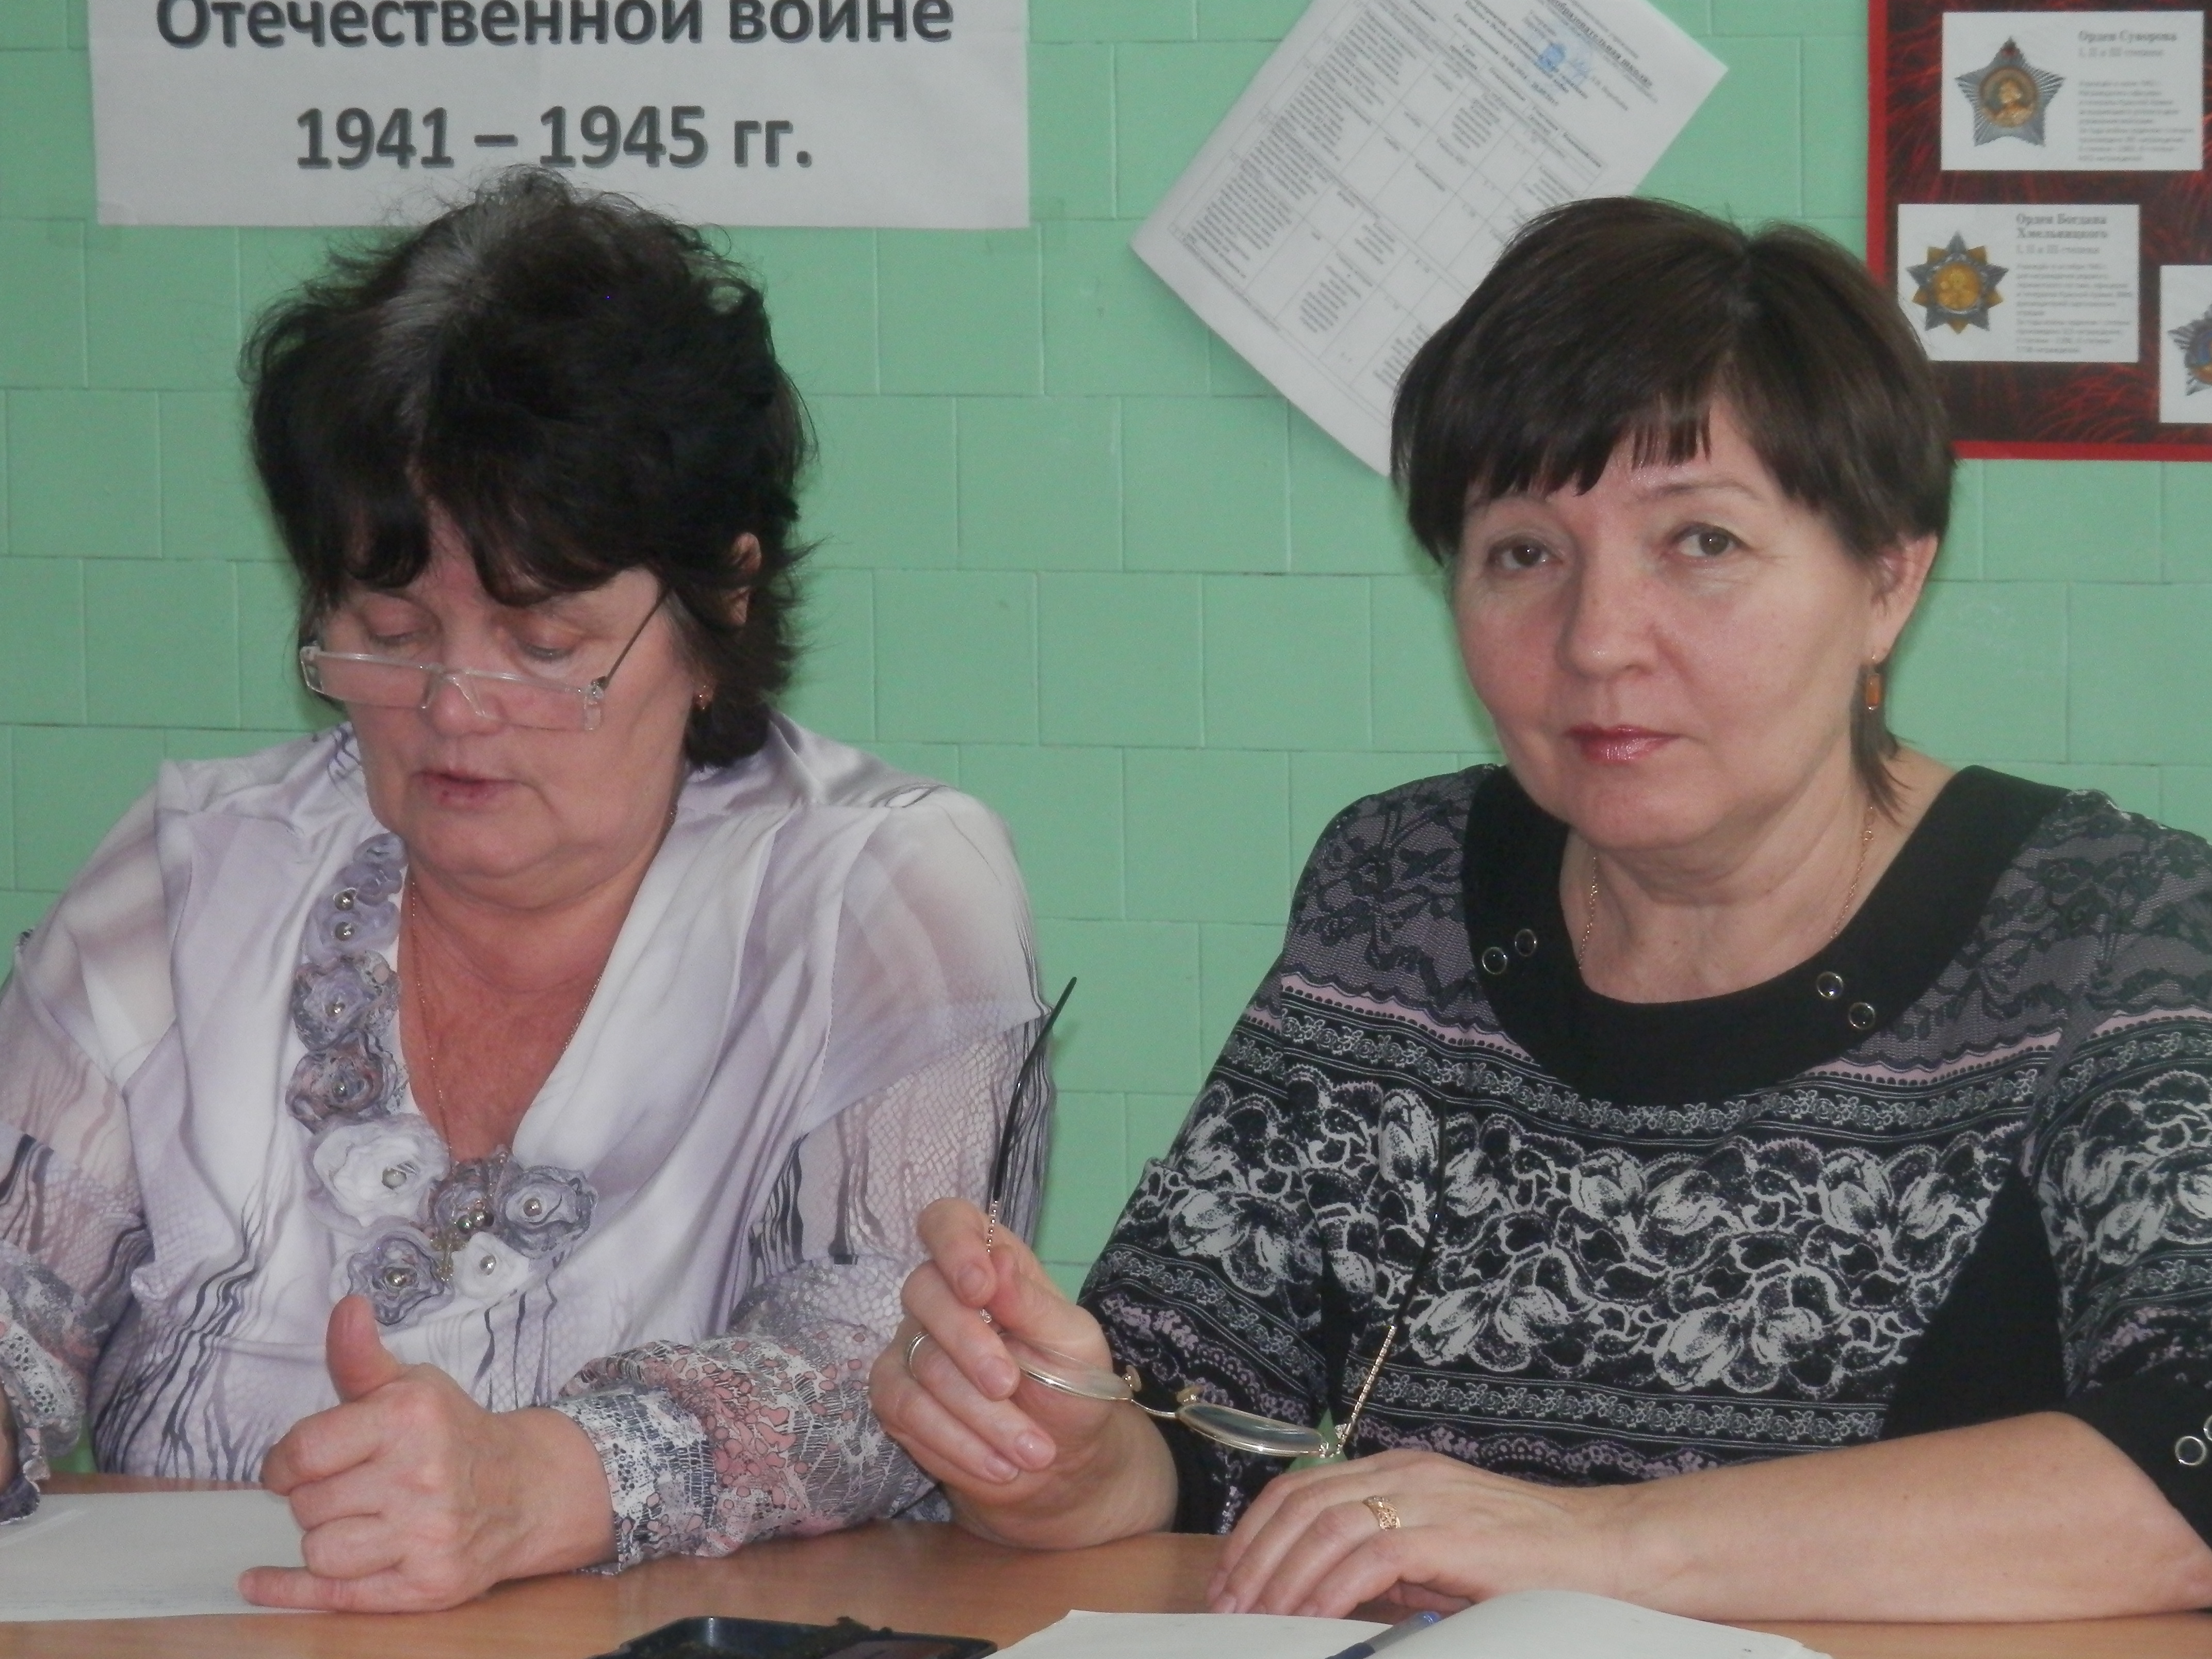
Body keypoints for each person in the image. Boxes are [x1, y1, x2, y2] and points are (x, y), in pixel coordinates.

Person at [871, 197, 2212, 1624]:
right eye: (1523, 552)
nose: (1599, 640)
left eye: (1702, 541)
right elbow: (1191, 1413)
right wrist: (1067, 1460)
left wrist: (1599, 1546)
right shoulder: (1402, 886)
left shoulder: (2112, 928)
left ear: (1887, 579)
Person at [0, 171, 1047, 1611]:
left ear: (722, 599)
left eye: (544, 643)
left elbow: (888, 1365)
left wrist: (545, 1481)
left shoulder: (880, 894)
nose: (454, 707)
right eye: (389, 629)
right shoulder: (195, 874)